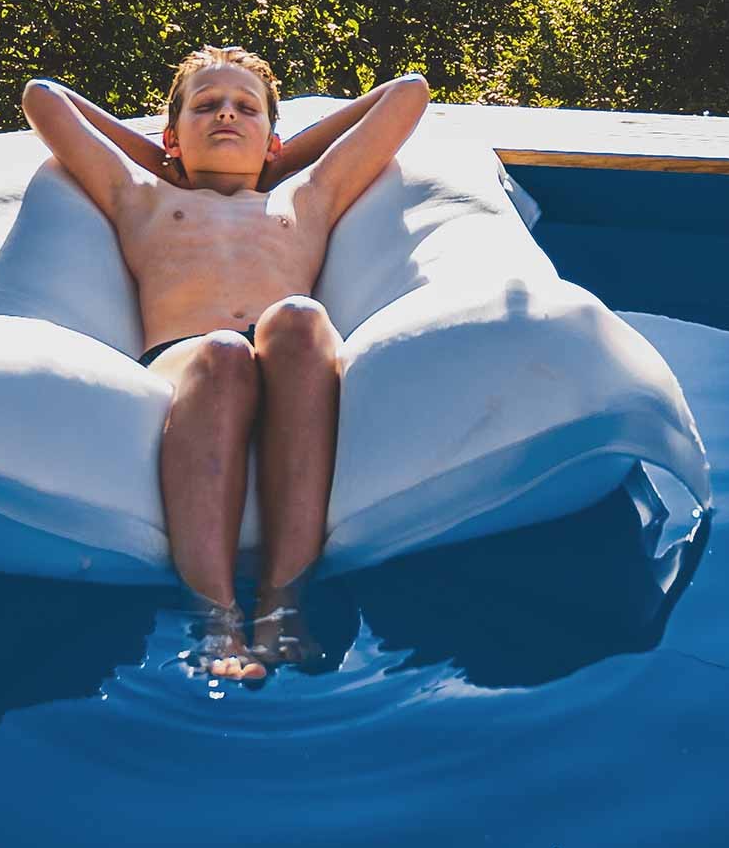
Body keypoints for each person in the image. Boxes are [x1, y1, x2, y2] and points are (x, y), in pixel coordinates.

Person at [22, 46, 430, 681]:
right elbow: (43, 97)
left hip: (285, 355)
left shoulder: (307, 196)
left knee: (298, 316)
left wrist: (276, 156)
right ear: (171, 136)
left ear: (274, 140)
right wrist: (165, 160)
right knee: (224, 350)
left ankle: (282, 602)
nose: (226, 116)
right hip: (189, 363)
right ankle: (217, 619)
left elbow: (408, 92)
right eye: (206, 107)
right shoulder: (144, 196)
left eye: (245, 109)